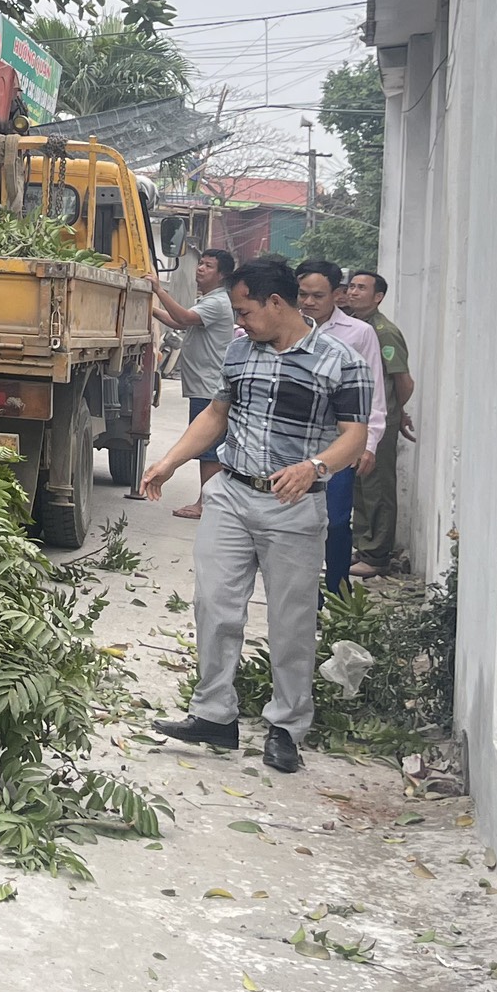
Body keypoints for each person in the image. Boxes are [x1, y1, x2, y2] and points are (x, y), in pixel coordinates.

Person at [141, 255, 371, 774]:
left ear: (275, 302)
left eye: (244, 310)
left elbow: (354, 435)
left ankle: (287, 726)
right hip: (231, 493)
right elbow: (218, 413)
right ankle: (214, 715)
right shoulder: (241, 349)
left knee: (291, 623)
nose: (238, 321)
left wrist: (315, 467)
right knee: (215, 605)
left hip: (293, 505)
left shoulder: (340, 360)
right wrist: (168, 461)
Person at [293, 258, 386, 593]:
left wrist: (370, 443)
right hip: (293, 442)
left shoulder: (359, 334)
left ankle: (337, 592)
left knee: (334, 521)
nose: (308, 302)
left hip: (340, 444)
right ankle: (302, 595)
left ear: (337, 294)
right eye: (303, 294)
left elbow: (373, 391)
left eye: (317, 295)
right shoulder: (287, 328)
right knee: (297, 521)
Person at [150, 249, 238, 516]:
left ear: (221, 275)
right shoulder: (210, 300)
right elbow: (176, 320)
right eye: (200, 263)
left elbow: (184, 318)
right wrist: (148, 306)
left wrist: (158, 290)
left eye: (208, 266)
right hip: (204, 385)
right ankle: (209, 503)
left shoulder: (217, 302)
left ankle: (206, 505)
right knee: (208, 449)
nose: (200, 268)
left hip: (209, 386)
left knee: (208, 449)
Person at [342, 269, 415, 577]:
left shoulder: (383, 331)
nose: (354, 292)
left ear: (378, 297)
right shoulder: (359, 327)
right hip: (361, 419)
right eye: (352, 287)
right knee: (361, 485)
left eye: (362, 288)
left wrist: (395, 414)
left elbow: (404, 381)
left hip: (379, 420)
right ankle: (364, 545)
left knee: (378, 487)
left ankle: (377, 555)